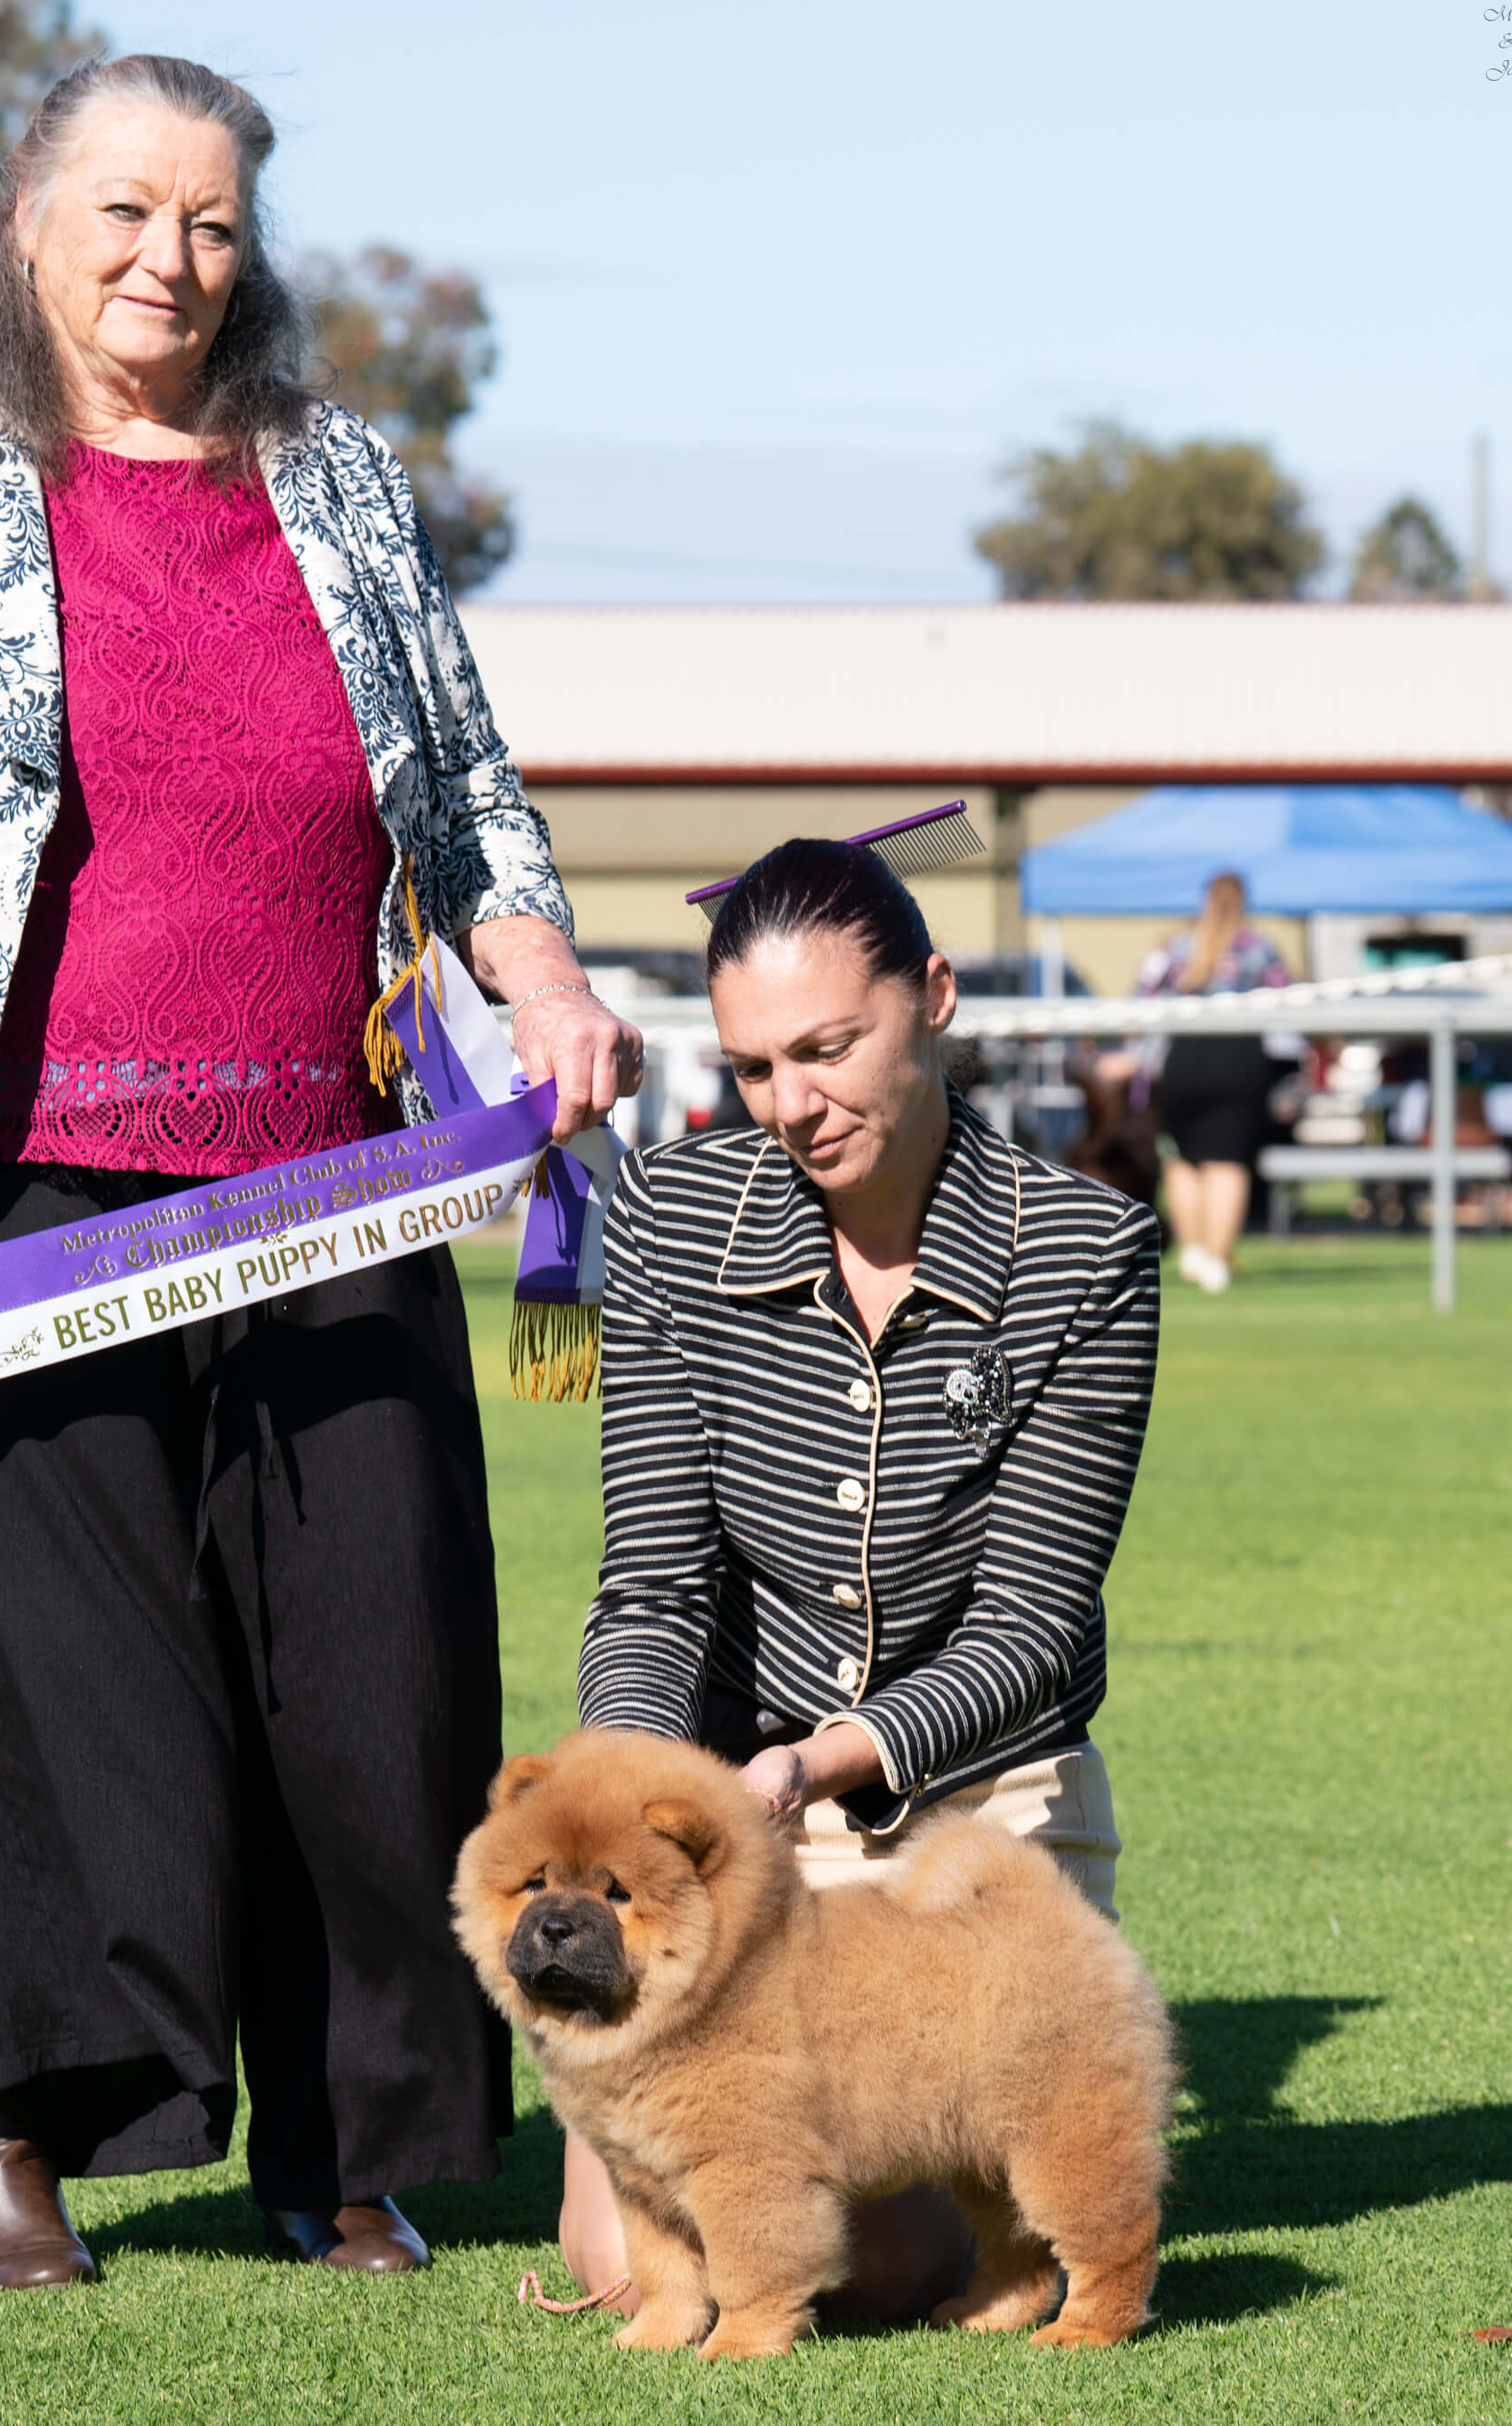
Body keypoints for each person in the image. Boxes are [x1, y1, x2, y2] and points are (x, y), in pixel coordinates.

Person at [0, 55, 641, 2290]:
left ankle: (348, 2140)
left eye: (214, 222)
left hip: (329, 1172)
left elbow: (467, 789)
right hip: (19, 1184)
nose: (173, 258)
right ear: (27, 225)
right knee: (59, 1682)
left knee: (379, 1672)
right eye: (127, 212)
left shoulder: (341, 479)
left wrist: (542, 979)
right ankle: (13, 2122)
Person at [561, 837, 1159, 2316]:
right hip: (739, 1803)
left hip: (978, 1798)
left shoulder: (1085, 1251)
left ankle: (1020, 2187)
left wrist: (829, 1761)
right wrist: (635, 1803)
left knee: (877, 2260)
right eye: (754, 1068)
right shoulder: (666, 1217)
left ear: (932, 996)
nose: (791, 1105)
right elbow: (651, 1588)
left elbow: (1029, 1626)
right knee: (634, 2259)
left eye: (826, 1050)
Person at [1136, 872, 1289, 1295]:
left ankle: (1194, 1252)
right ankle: (1217, 1259)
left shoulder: (1172, 948)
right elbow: (1288, 1009)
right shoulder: (1260, 950)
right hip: (1238, 1059)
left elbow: (1143, 1001)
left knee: (1183, 1159)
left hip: (1183, 1060)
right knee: (1226, 1162)